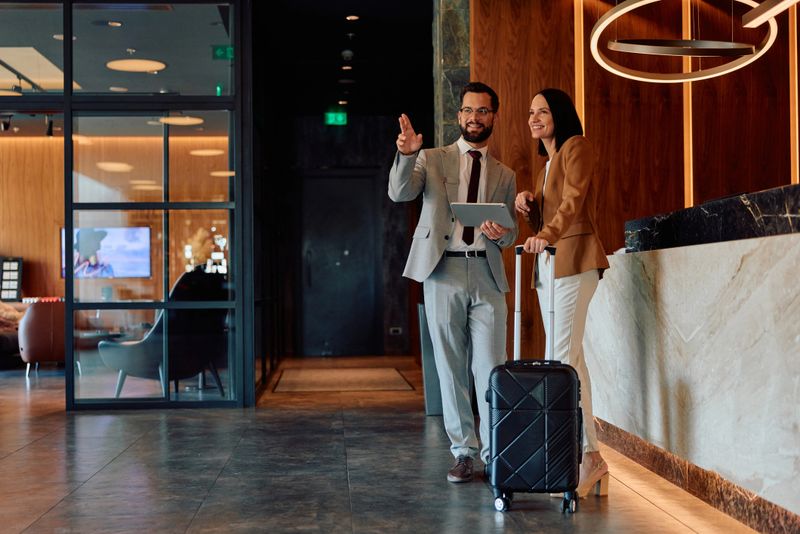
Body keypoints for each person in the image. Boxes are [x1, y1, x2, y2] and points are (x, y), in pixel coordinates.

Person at [389, 82, 517, 483]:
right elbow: (399, 192)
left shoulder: (505, 174)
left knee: (490, 367)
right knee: (450, 368)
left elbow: (510, 233)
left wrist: (500, 233)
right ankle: (463, 452)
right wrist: (407, 154)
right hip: (442, 270)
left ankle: (495, 453)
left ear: (493, 116)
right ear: (458, 116)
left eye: (483, 111)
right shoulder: (432, 158)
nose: (475, 118)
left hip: (487, 273)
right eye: (468, 111)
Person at [515, 88, 611, 498]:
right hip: (550, 265)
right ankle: (589, 456)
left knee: (561, 359)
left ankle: (584, 456)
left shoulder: (576, 147)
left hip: (574, 259)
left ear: (560, 114)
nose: (535, 118)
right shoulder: (546, 165)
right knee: (571, 358)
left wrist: (547, 231)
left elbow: (574, 201)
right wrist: (530, 209)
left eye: (543, 111)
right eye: (531, 112)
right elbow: (550, 214)